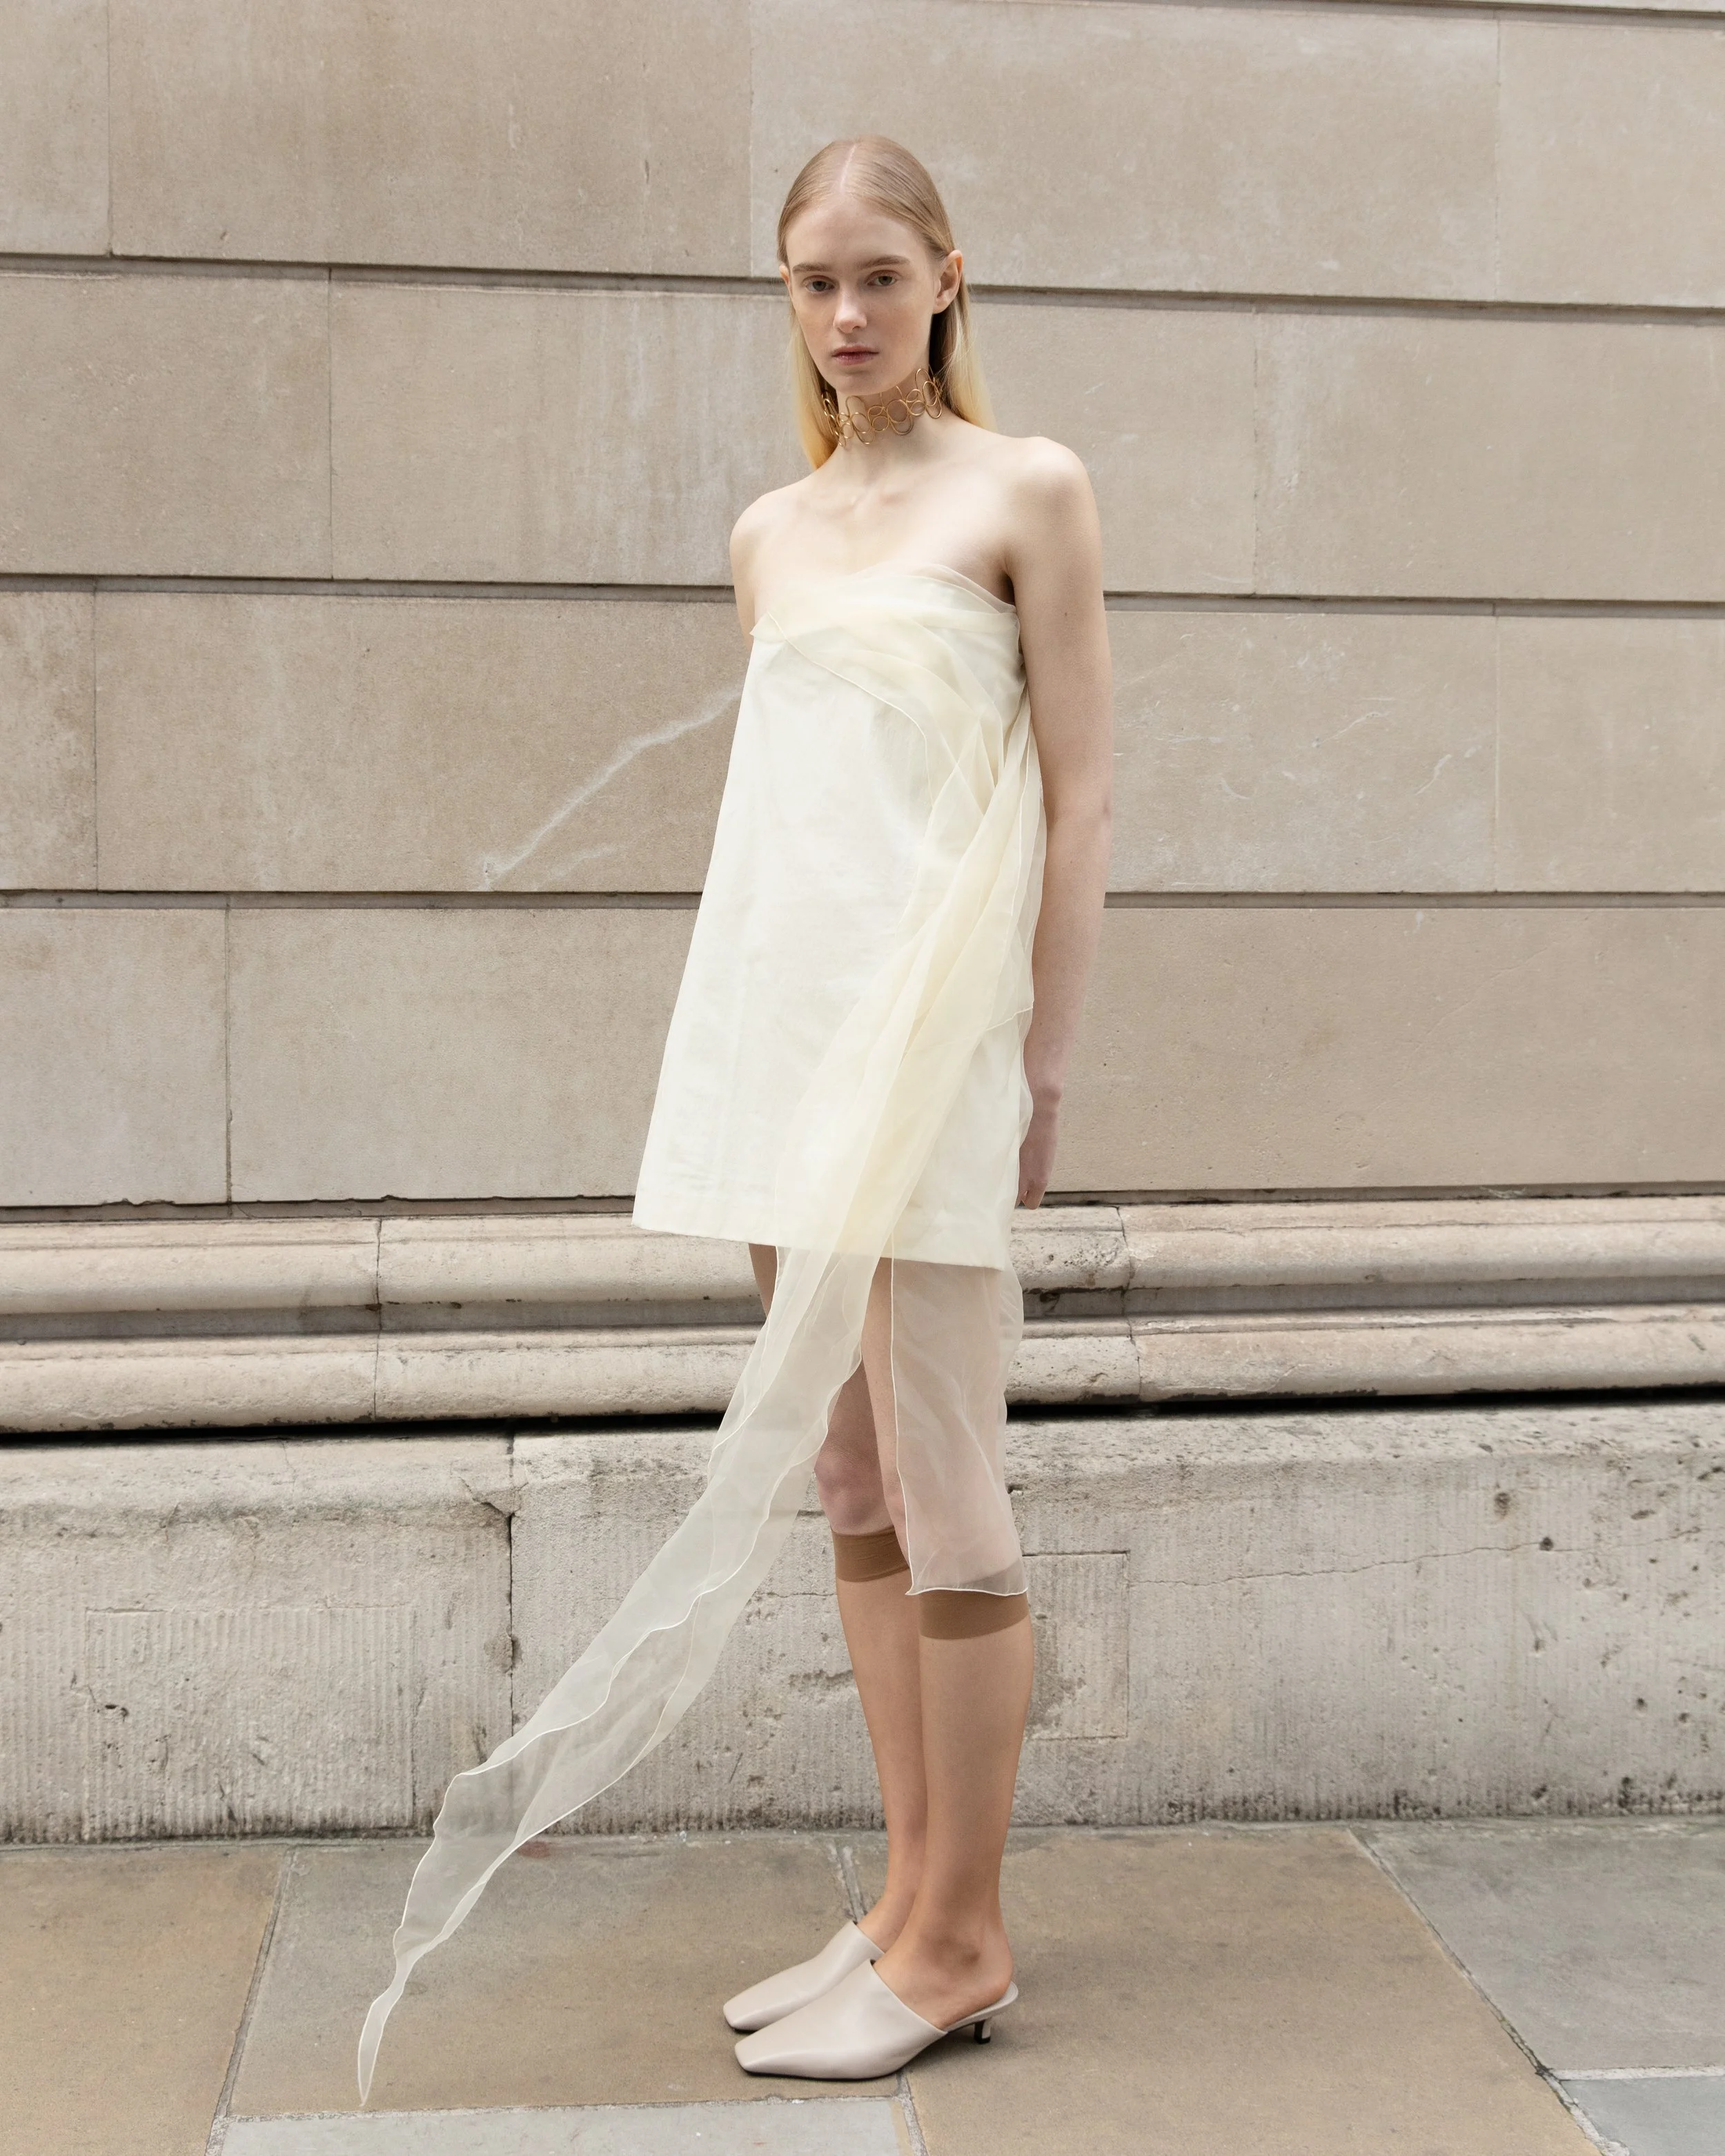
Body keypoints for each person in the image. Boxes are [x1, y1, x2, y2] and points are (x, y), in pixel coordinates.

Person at [358, 135, 1111, 2099]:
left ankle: (962, 1936)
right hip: (783, 1035)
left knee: (948, 1485)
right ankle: (903, 1897)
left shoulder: (1027, 490)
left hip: (935, 1037)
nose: (846, 313)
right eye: (810, 281)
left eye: (877, 273)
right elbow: (793, 834)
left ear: (949, 273)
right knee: (847, 1476)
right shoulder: (768, 530)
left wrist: (1041, 1053)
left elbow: (1084, 795)